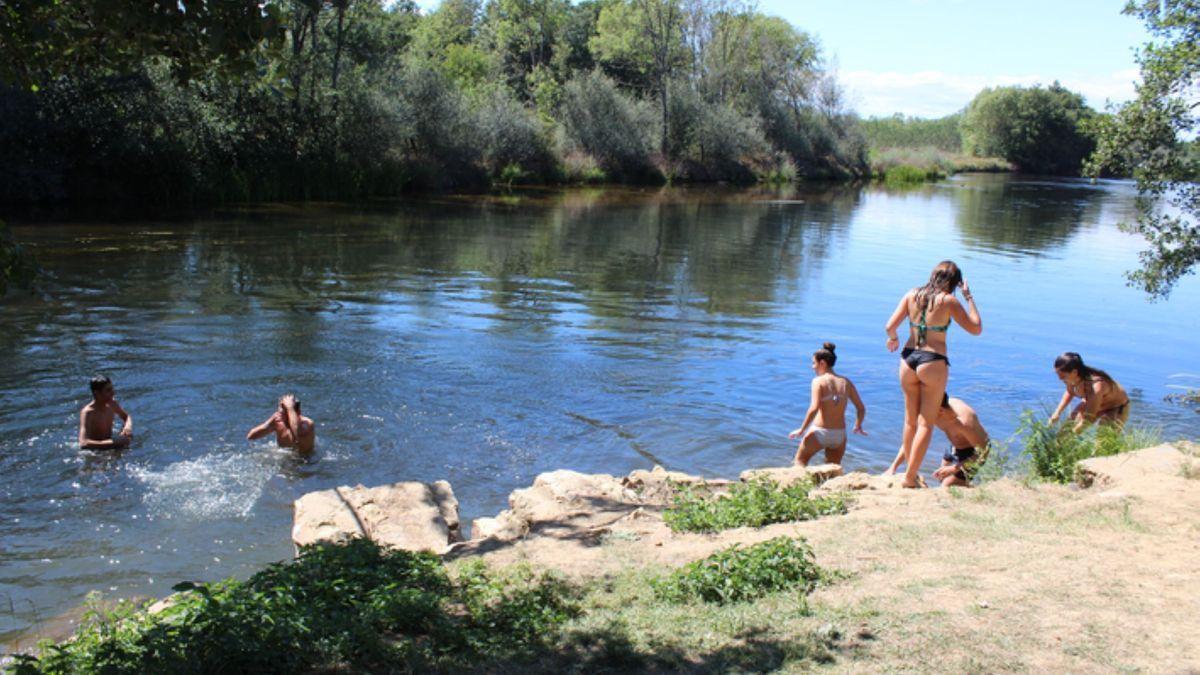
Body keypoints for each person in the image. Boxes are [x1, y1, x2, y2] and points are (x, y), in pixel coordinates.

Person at [884, 261, 982, 488]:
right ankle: (910, 477)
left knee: (910, 421)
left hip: (908, 358)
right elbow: (976, 328)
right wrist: (969, 298)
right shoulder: (949, 300)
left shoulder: (912, 294)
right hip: (933, 360)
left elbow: (890, 326)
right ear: (956, 282)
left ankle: (911, 473)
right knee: (925, 423)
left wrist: (893, 338)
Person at [789, 342, 867, 466]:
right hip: (839, 435)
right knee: (832, 468)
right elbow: (861, 408)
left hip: (820, 432)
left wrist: (802, 429)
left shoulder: (818, 381)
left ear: (822, 363)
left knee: (800, 461)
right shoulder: (846, 382)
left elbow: (814, 408)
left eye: (814, 363)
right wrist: (858, 425)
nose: (812, 367)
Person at [888, 393, 989, 487]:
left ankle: (973, 490)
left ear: (941, 411)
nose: (923, 415)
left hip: (972, 452)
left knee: (947, 486)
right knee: (941, 478)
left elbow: (984, 451)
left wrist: (954, 468)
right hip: (954, 445)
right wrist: (894, 467)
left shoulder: (965, 422)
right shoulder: (933, 409)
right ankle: (964, 483)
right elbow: (911, 439)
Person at [1049, 352, 1129, 432]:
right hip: (1091, 401)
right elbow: (1070, 392)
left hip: (1115, 407)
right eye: (1057, 374)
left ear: (1075, 372)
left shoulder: (1096, 387)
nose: (1060, 378)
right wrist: (1057, 413)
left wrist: (1075, 432)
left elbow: (1088, 420)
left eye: (1063, 376)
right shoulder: (1071, 379)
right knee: (1065, 431)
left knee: (1103, 439)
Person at [247, 394, 315, 454]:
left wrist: (290, 408)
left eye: (285, 414)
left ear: (298, 412)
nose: (280, 416)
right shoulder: (278, 421)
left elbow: (296, 433)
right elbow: (251, 436)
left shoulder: (307, 424)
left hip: (305, 461)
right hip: (285, 457)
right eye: (280, 413)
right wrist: (270, 422)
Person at [78, 375, 133, 450]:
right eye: (108, 390)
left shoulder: (112, 404)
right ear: (97, 393)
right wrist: (115, 442)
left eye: (112, 389)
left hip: (110, 444)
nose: (113, 393)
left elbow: (126, 417)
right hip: (95, 451)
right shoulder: (88, 413)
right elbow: (83, 443)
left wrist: (127, 427)